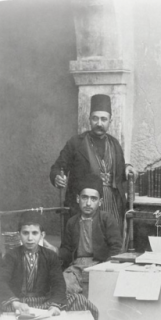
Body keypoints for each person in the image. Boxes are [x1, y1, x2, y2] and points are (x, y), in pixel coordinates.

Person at [50, 94, 137, 233]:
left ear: (110, 121)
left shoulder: (115, 144)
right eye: (95, 118)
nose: (99, 123)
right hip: (85, 204)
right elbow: (58, 167)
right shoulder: (76, 143)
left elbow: (119, 170)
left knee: (111, 241)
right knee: (86, 242)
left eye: (104, 119)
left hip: (112, 203)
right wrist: (57, 177)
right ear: (89, 119)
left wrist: (128, 168)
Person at [60, 174, 123, 293]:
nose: (88, 203)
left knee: (101, 291)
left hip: (100, 265)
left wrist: (106, 267)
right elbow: (67, 250)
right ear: (78, 199)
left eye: (93, 199)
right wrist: (55, 251)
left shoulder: (106, 219)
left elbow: (117, 248)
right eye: (85, 198)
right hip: (77, 267)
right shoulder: (72, 222)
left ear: (100, 202)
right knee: (63, 285)